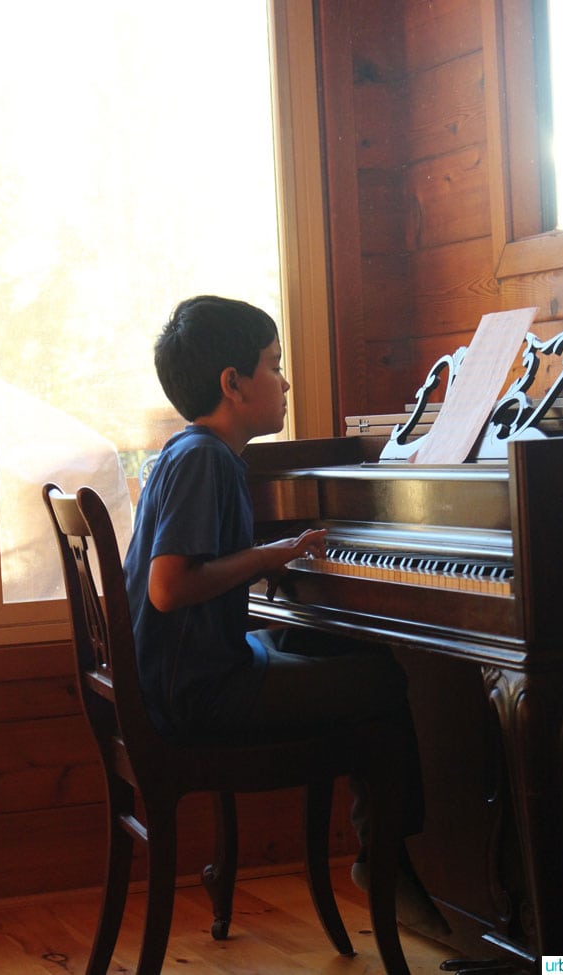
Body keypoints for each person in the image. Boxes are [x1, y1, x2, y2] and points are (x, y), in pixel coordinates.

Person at [123, 295, 449, 939]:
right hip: (201, 694)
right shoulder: (205, 460)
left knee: (330, 648)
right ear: (233, 384)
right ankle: (387, 861)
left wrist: (265, 560)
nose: (286, 379)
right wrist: (271, 553)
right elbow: (168, 587)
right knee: (384, 682)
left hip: (180, 680)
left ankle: (389, 857)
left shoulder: (184, 452)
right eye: (274, 364)